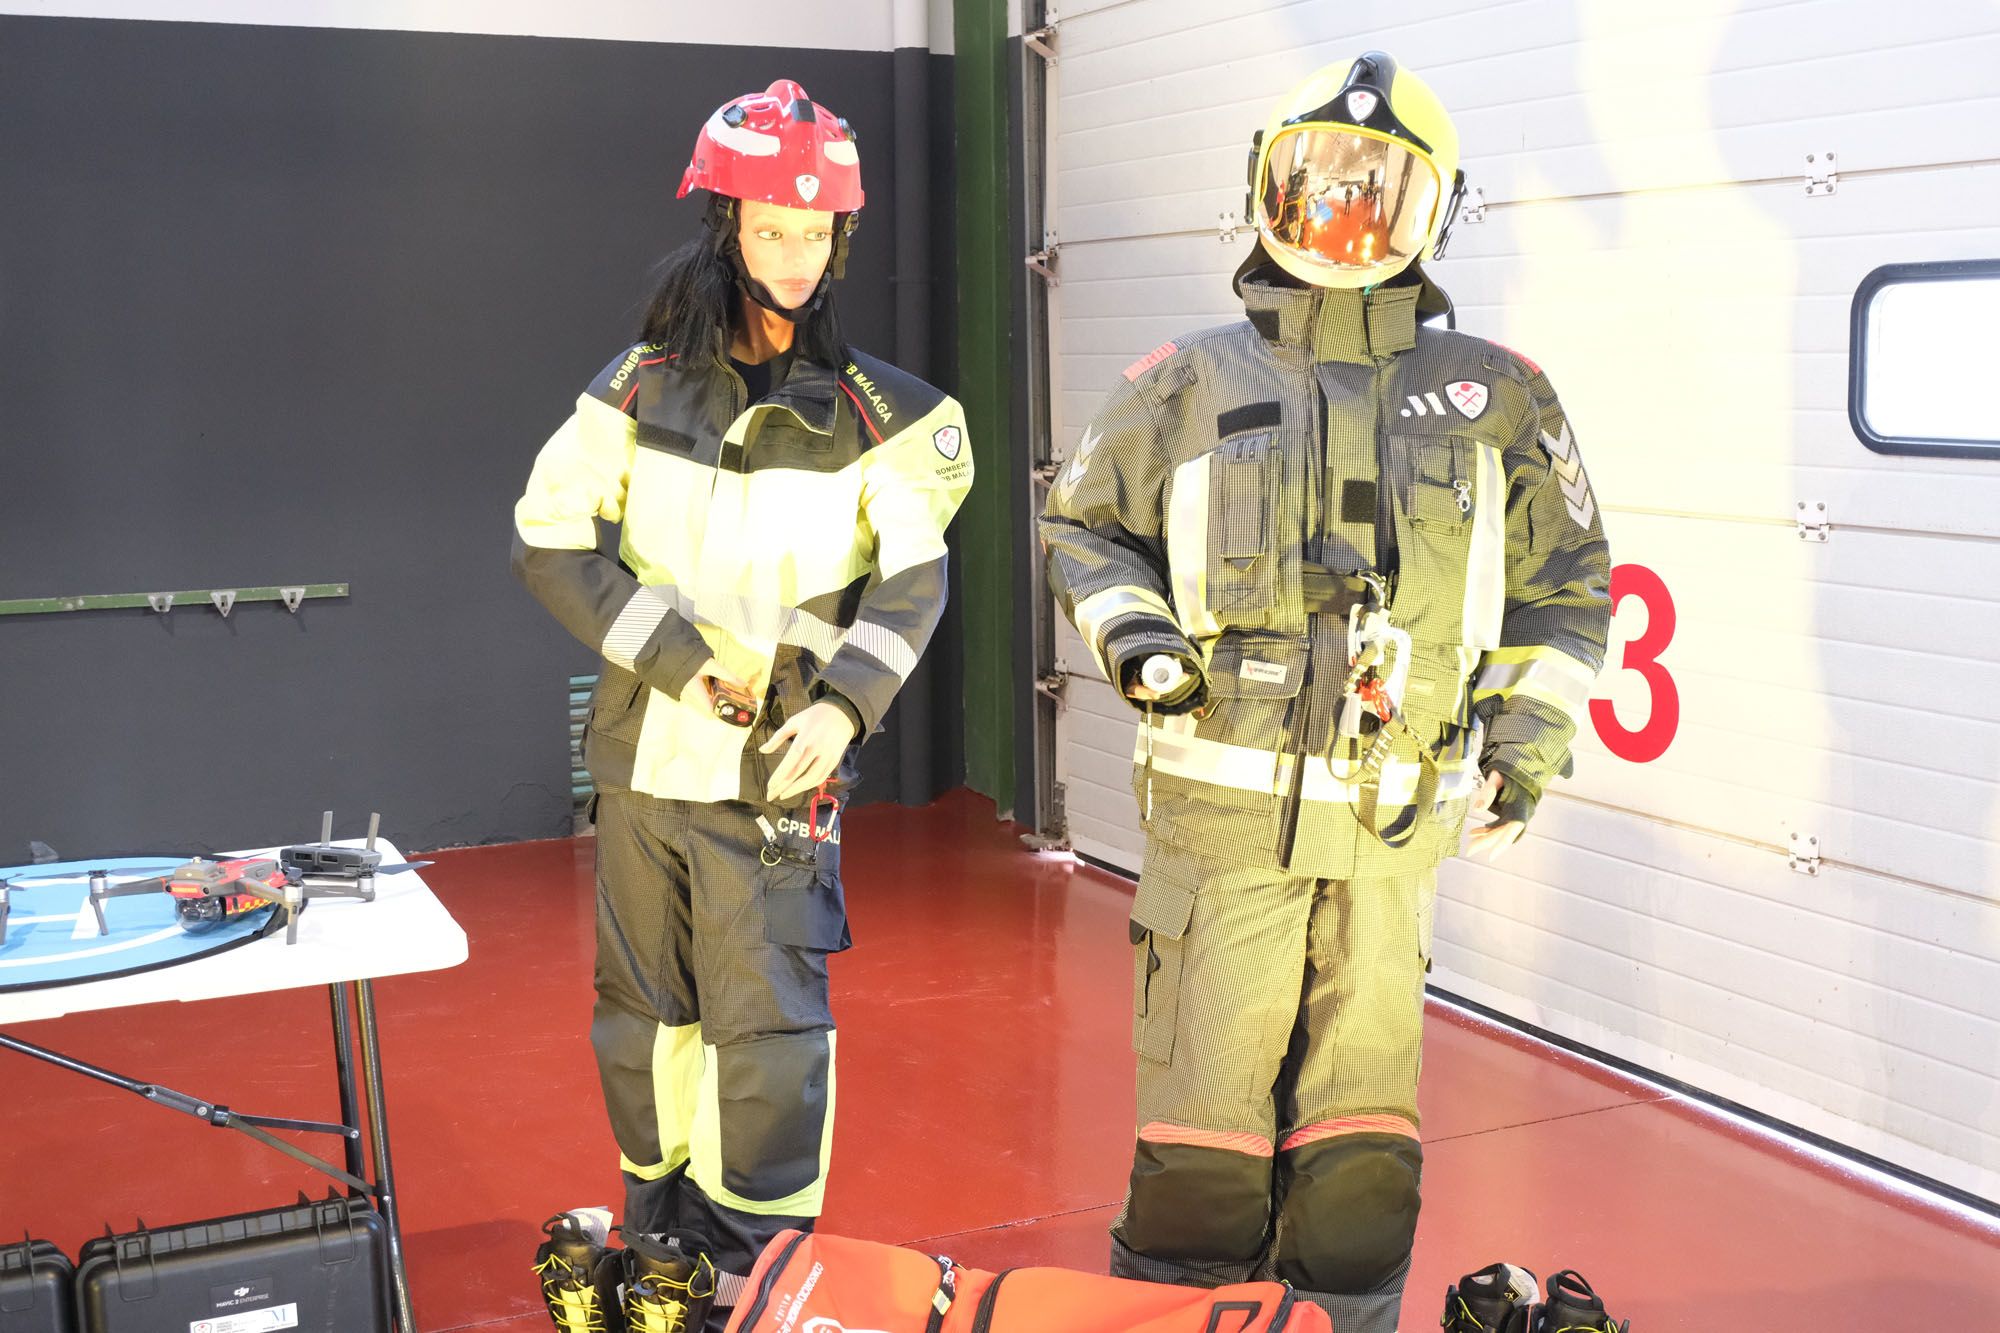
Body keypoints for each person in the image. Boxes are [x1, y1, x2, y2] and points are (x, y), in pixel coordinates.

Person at [1039, 52, 1611, 1333]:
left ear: (1431, 213)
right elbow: (1083, 528)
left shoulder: (1496, 398)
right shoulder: (1183, 383)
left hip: (1389, 841)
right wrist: (1136, 642)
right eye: (1320, 183)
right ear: (1268, 191)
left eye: (1379, 190)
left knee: (1360, 1152)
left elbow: (1566, 584)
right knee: (1203, 1140)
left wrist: (1519, 753)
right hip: (1219, 842)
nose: (1345, 214)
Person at [513, 78, 972, 1332]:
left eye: (816, 232)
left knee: (765, 1043)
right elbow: (548, 537)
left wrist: (846, 707)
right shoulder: (636, 386)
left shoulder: (882, 416)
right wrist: (673, 660)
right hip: (640, 767)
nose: (794, 256)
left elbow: (917, 575)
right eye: (771, 228)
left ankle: (744, 1285)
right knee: (642, 1021)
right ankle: (655, 1261)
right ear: (724, 225)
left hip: (774, 776)